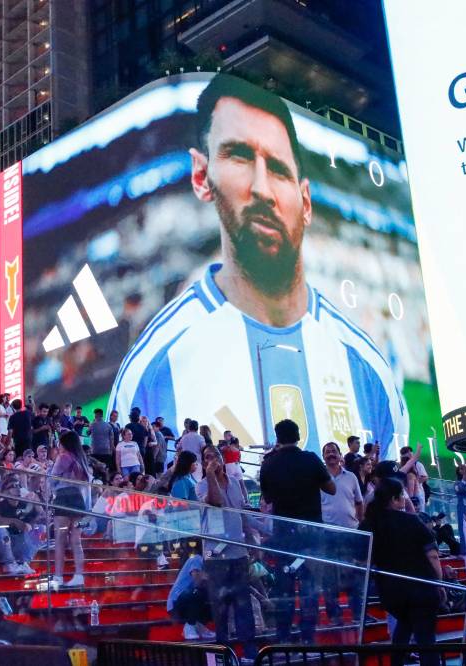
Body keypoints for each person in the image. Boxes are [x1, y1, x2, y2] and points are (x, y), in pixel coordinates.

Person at [107, 73, 408, 456]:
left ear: (307, 202)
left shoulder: (369, 369)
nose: (263, 189)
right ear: (201, 177)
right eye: (240, 156)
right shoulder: (152, 366)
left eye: (280, 170)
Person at [260, 418, 335, 643]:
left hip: (284, 534)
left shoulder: (269, 464)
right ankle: (308, 636)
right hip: (311, 533)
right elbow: (331, 488)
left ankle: (283, 636)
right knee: (310, 587)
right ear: (299, 435)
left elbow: (268, 498)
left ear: (277, 437)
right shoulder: (310, 459)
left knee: (285, 586)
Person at [359, 477, 442, 666]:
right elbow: (432, 555)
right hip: (422, 588)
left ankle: (396, 662)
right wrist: (439, 583)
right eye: (402, 496)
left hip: (391, 591)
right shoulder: (412, 521)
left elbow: (361, 559)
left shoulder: (369, 524)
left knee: (405, 624)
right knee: (426, 638)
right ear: (395, 499)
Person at [197, 444, 256, 659]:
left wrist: (251, 542)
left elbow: (243, 515)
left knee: (243, 605)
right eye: (207, 458)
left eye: (215, 456)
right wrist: (211, 475)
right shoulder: (202, 486)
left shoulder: (236, 485)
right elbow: (216, 502)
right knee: (220, 607)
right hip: (216, 557)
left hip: (238, 553)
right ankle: (223, 653)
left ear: (222, 459)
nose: (211, 459)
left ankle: (250, 651)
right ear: (203, 464)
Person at [319, 441, 365, 626]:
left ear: (340, 455)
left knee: (355, 575)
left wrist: (359, 524)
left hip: (351, 533)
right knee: (330, 577)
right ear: (323, 457)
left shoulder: (351, 477)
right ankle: (334, 616)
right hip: (328, 533)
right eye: (327, 452)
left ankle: (357, 615)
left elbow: (359, 502)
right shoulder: (318, 478)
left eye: (334, 451)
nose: (331, 454)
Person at [50, 430, 92, 587]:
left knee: (60, 539)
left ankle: (58, 576)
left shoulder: (63, 457)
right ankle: (79, 575)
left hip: (63, 498)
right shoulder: (81, 460)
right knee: (76, 540)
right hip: (78, 500)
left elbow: (52, 479)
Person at [0, 477, 43, 575]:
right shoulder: (0, 505)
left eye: (19, 485)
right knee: (0, 530)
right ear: (6, 491)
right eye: (13, 486)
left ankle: (24, 562)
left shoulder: (24, 504)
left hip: (18, 543)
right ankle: (9, 564)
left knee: (41, 529)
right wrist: (13, 521)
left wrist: (30, 523)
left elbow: (41, 516)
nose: (17, 488)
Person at [166, 553, 216, 640]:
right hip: (176, 603)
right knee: (198, 592)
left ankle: (200, 626)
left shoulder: (208, 563)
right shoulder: (196, 558)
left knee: (215, 596)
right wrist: (204, 577)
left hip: (188, 600)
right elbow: (196, 580)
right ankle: (189, 626)